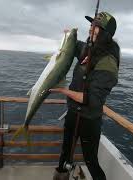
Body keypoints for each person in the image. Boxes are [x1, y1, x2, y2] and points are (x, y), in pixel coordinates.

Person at [50, 12, 120, 180]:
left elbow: (93, 99)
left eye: (96, 26)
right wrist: (68, 37)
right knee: (65, 153)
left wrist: (63, 91)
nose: (90, 28)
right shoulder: (88, 47)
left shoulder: (108, 61)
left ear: (105, 33)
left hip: (89, 119)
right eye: (91, 25)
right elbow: (73, 47)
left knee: (90, 161)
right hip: (73, 113)